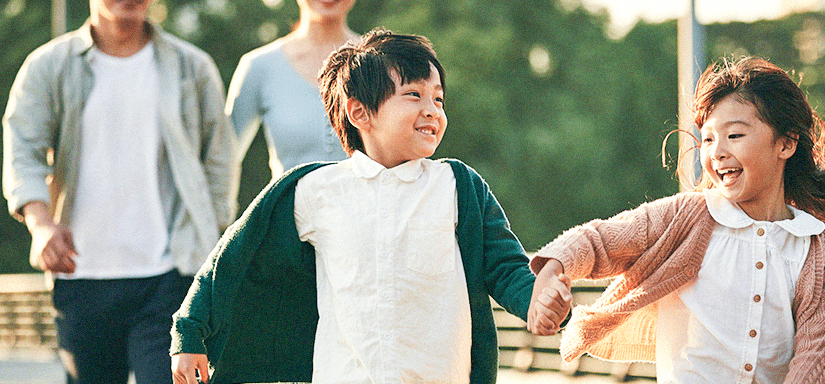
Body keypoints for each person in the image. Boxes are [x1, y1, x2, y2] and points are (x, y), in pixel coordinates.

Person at [170, 29, 572, 384]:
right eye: (413, 95)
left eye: (438, 98)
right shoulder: (314, 190)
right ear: (359, 112)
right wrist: (189, 334)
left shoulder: (457, 186)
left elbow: (504, 267)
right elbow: (230, 263)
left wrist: (537, 298)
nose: (431, 109)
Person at [530, 56, 825, 384]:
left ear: (786, 144)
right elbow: (598, 240)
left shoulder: (820, 251)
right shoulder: (689, 217)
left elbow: (815, 356)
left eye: (735, 135)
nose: (717, 153)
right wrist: (550, 273)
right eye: (708, 139)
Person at [2, 0, 236, 384]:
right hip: (81, 277)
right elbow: (23, 148)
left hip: (171, 275)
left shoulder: (191, 68)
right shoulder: (49, 67)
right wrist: (41, 224)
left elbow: (220, 160)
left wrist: (212, 240)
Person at [226, 0, 366, 180]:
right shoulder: (260, 66)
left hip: (371, 219)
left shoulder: (383, 63)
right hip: (287, 219)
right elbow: (221, 161)